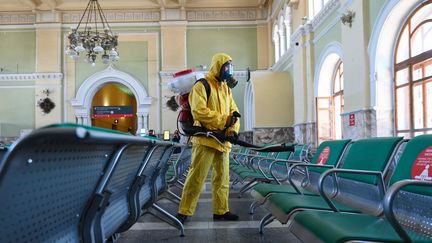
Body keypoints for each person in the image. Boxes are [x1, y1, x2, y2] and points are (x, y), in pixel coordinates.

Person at [176, 53, 240, 223]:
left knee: (222, 179)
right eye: (226, 67)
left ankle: (221, 211)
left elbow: (234, 112)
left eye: (230, 67)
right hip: (205, 139)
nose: (229, 71)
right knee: (196, 177)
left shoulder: (226, 88)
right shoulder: (202, 85)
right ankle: (184, 211)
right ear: (218, 66)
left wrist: (232, 129)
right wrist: (223, 121)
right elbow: (199, 111)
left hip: (223, 141)